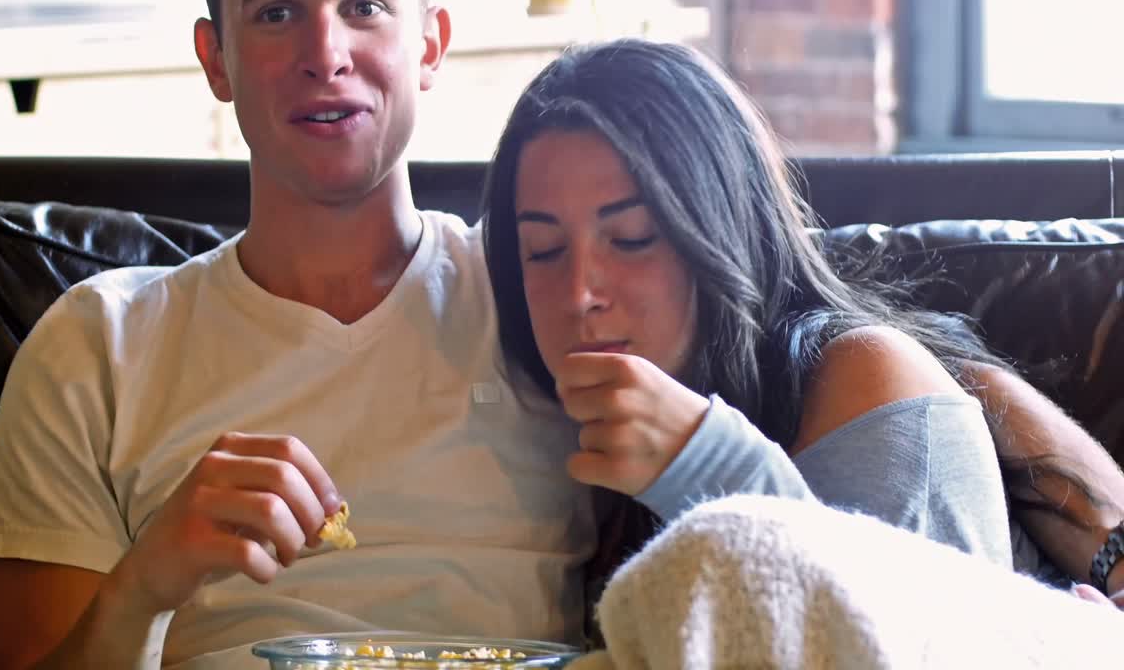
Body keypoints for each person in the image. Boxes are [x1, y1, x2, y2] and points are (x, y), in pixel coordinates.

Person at [0, 0, 599, 669]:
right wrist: (144, 586)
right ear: (217, 60)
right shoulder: (96, 345)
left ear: (430, 43)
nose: (325, 56)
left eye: (364, 7)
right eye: (275, 13)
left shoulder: (549, 297)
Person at [479, 38, 1124, 603]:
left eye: (633, 237)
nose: (580, 292)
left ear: (722, 232)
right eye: (544, 251)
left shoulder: (863, 377)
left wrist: (706, 467)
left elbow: (892, 650)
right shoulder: (548, 424)